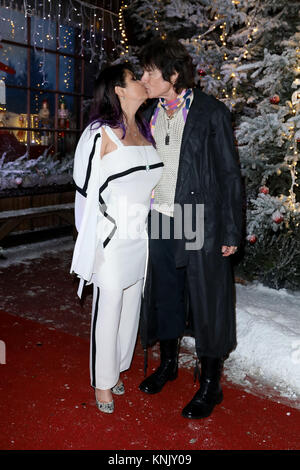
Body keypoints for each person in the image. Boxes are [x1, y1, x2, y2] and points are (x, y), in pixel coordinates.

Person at [138, 38, 243, 419]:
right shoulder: (150, 113)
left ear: (174, 74)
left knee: (204, 296)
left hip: (194, 216)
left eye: (150, 71)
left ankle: (211, 384)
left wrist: (231, 231)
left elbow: (230, 175)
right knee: (165, 292)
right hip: (160, 216)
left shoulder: (210, 112)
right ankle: (168, 364)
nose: (144, 78)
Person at [70, 63, 163, 414]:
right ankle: (102, 382)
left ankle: (118, 366)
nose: (142, 83)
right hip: (109, 238)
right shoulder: (99, 134)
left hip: (140, 238)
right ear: (119, 90)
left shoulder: (142, 128)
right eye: (134, 79)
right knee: (107, 310)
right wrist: (90, 241)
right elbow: (83, 192)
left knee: (129, 310)